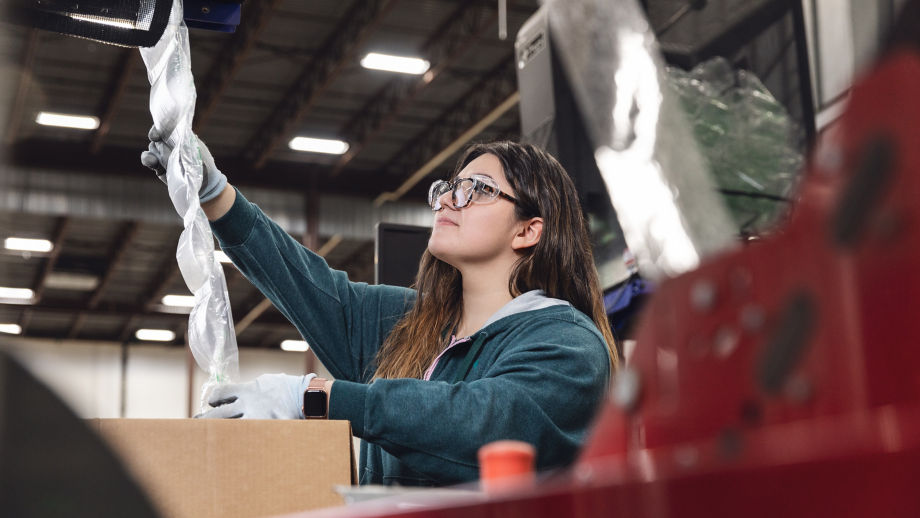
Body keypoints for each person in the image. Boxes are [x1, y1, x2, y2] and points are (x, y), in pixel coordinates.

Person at [142, 130, 619, 486]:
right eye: (450, 186)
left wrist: (314, 397)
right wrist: (215, 195)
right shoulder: (411, 325)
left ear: (528, 231)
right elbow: (307, 284)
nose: (450, 198)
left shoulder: (568, 344)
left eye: (479, 189)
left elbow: (484, 422)